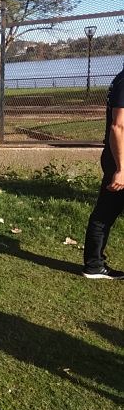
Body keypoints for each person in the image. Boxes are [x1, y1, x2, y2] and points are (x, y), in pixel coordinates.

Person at [82, 67, 124, 279]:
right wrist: (121, 169)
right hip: (119, 161)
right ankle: (94, 264)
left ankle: (94, 264)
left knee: (105, 211)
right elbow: (117, 127)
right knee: (104, 213)